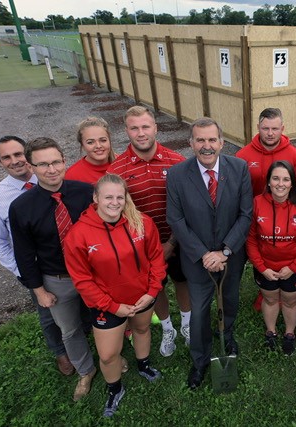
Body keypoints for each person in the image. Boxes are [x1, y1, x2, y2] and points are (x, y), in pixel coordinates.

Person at [64, 174, 166, 417]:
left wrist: (152, 292)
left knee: (142, 330)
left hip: (142, 297)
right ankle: (115, 388)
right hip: (106, 305)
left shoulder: (141, 222)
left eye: (120, 197)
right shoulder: (78, 235)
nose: (114, 202)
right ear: (96, 198)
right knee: (109, 354)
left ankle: (144, 365)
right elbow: (82, 280)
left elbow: (156, 259)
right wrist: (112, 306)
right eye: (108, 197)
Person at [166, 117, 252, 390]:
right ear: (191, 143)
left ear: (222, 143)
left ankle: (227, 337)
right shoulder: (178, 174)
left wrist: (225, 250)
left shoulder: (239, 168)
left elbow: (245, 214)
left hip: (231, 256)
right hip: (196, 259)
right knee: (200, 310)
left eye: (211, 140)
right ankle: (200, 360)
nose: (206, 146)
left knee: (230, 301)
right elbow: (176, 219)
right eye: (200, 140)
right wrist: (204, 253)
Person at [9, 137, 97, 402]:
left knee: (102, 320)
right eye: (43, 164)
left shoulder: (86, 192)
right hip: (57, 279)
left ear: (64, 161)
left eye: (56, 162)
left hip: (94, 274)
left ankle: (109, 358)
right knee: (69, 330)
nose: (51, 169)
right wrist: (39, 291)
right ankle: (86, 370)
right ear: (32, 167)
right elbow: (24, 254)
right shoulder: (21, 207)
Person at [0, 135, 73, 376]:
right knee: (47, 312)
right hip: (34, 268)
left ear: (30, 156)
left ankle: (80, 338)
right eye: (6, 157)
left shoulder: (54, 178)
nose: (15, 161)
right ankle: (61, 353)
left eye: (18, 154)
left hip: (68, 260)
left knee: (74, 306)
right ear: (0, 162)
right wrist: (23, 272)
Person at [108, 106, 191, 357]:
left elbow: (189, 207)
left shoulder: (177, 161)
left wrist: (172, 243)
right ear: (126, 131)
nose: (141, 133)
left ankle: (187, 325)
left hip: (177, 240)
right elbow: (117, 214)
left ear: (156, 128)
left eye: (145, 127)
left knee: (182, 281)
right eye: (134, 128)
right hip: (142, 247)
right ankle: (168, 328)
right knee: (157, 288)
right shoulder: (117, 170)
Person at [246, 161, 296, 355]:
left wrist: (294, 267)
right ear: (268, 182)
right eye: (275, 178)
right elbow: (251, 239)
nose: (280, 183)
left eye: (286, 179)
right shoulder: (256, 203)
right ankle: (271, 331)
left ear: (292, 183)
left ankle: (289, 333)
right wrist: (261, 268)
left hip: (294, 268)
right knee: (269, 299)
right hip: (266, 267)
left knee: (290, 301)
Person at [236, 108, 296, 312]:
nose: (270, 133)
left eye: (275, 128)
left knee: (278, 252)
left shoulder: (295, 156)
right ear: (258, 128)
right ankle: (263, 291)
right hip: (251, 216)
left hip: (284, 217)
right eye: (266, 128)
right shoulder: (243, 155)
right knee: (256, 254)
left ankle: (281, 295)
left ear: (282, 128)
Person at [65, 116, 116, 184]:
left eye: (103, 140)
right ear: (82, 145)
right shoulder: (72, 176)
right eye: (90, 142)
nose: (98, 146)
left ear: (109, 140)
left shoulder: (123, 163)